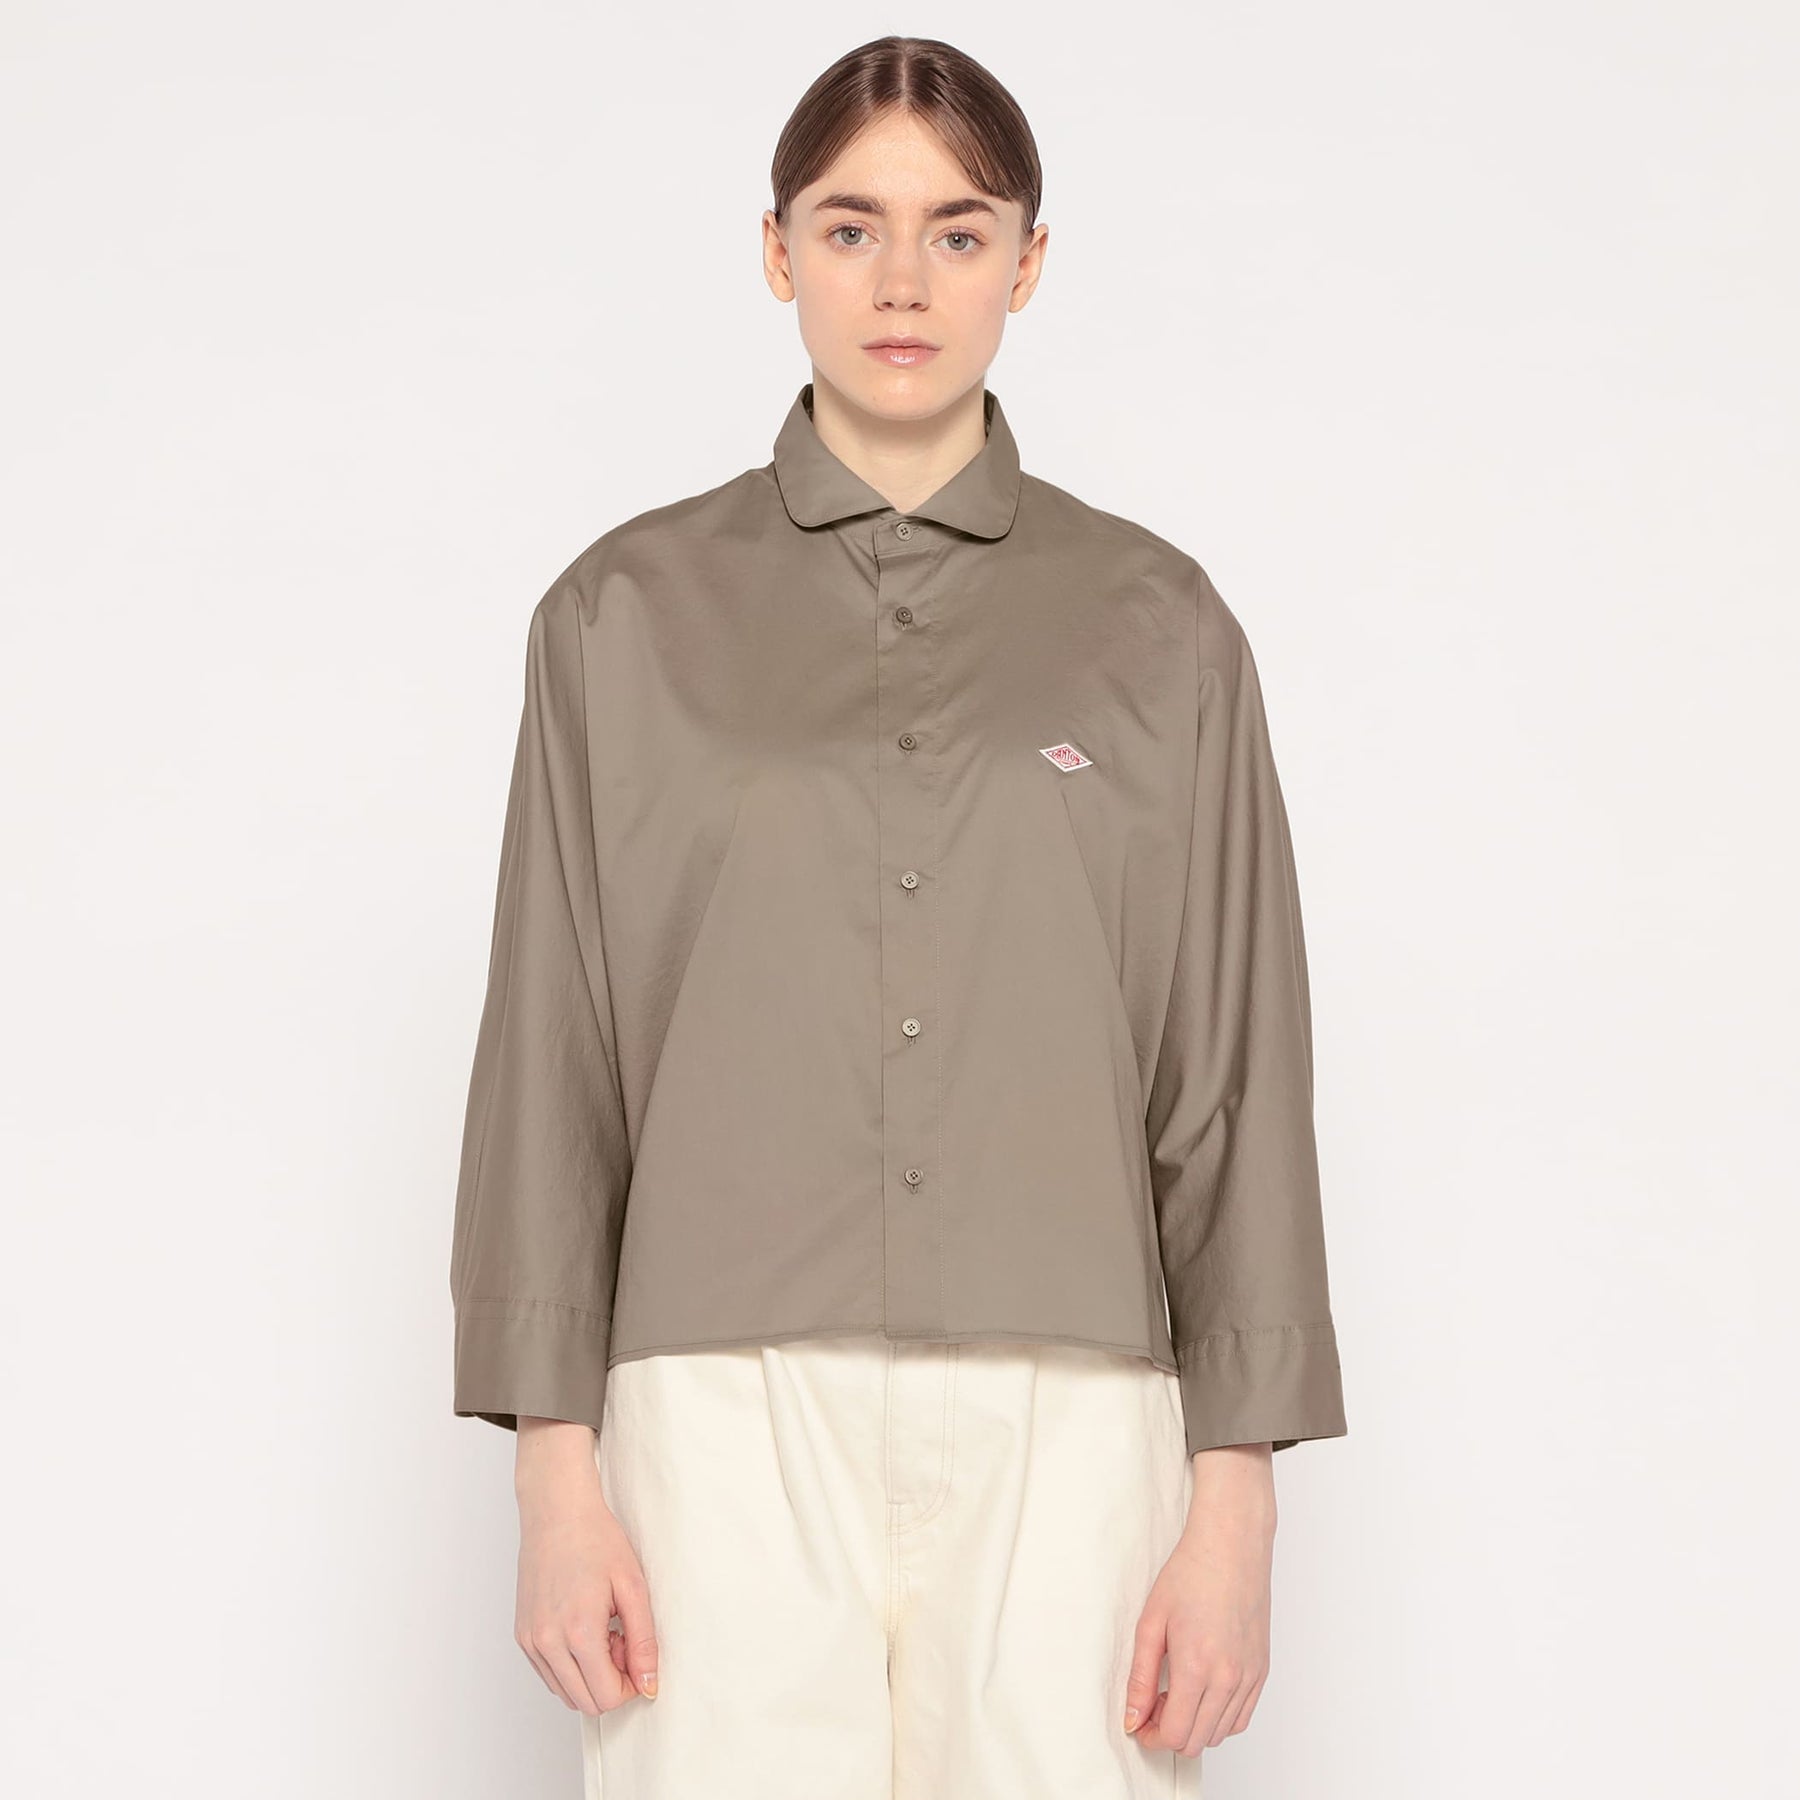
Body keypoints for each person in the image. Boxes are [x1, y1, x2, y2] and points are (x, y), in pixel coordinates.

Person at [448, 33, 1347, 1799]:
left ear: (1029, 261)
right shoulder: (619, 619)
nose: (904, 282)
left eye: (959, 231)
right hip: (719, 1410)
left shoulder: (1161, 626)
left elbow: (1232, 1072)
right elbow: (554, 1060)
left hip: (1073, 1411)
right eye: (852, 228)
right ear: (777, 252)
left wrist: (1234, 1504)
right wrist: (556, 1478)